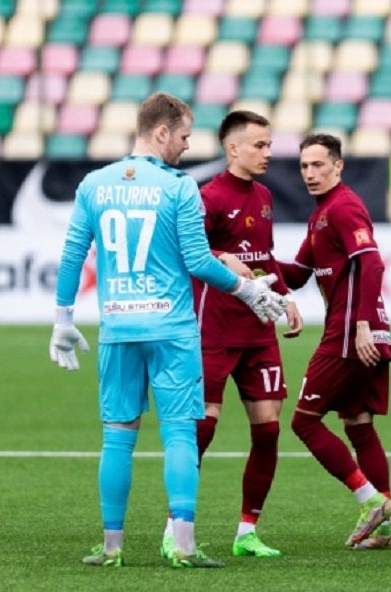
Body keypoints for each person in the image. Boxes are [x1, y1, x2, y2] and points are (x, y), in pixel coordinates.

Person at [49, 92, 286, 569]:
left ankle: (112, 548)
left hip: (118, 326)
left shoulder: (95, 184)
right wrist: (247, 289)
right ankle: (183, 545)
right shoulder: (178, 187)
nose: (185, 145)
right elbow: (198, 261)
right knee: (179, 434)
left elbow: (74, 253)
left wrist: (63, 319)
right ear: (161, 132)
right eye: (182, 136)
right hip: (172, 329)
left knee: (117, 437)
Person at [160, 110, 303, 560]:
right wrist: (222, 255)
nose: (268, 153)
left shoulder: (262, 195)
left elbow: (265, 254)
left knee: (268, 431)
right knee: (203, 429)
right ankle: (175, 528)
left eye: (269, 144)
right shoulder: (209, 196)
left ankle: (247, 531)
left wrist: (285, 296)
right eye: (259, 145)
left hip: (258, 330)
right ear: (232, 148)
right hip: (215, 330)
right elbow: (188, 251)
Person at [276, 133, 391, 550]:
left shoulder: (344, 207)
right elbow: (295, 274)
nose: (310, 174)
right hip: (364, 327)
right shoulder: (321, 215)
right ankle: (388, 528)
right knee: (358, 424)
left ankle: (371, 502)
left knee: (303, 421)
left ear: (338, 166)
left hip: (351, 330)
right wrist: (250, 262)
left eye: (318, 165)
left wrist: (362, 323)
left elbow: (372, 262)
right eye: (304, 167)